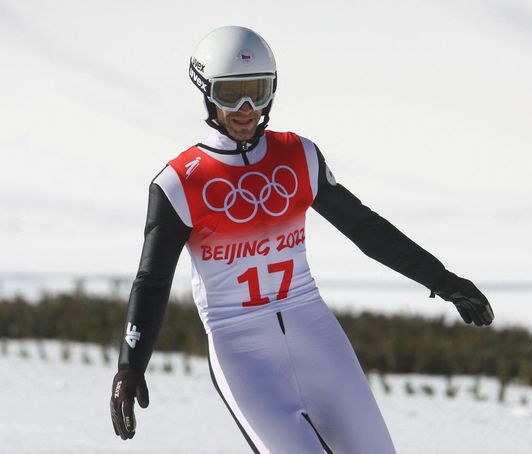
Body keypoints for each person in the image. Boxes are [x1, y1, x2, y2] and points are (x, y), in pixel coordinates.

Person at [110, 25, 494, 453]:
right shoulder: (180, 183)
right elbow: (153, 281)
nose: (246, 108)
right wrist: (131, 364)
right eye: (230, 93)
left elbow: (365, 228)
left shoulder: (298, 155)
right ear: (206, 92)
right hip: (240, 347)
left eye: (257, 91)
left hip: (315, 332)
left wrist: (442, 280)